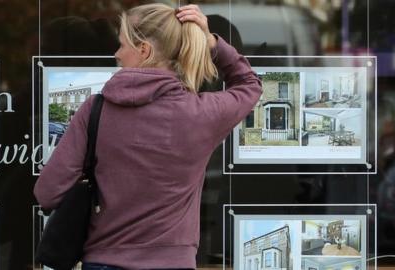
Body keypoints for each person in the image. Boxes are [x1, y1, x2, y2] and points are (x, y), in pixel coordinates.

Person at [34, 3, 262, 270]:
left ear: (144, 50)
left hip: (104, 261)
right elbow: (249, 84)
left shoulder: (95, 110)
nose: (117, 54)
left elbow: (47, 192)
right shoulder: (201, 113)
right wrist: (212, 43)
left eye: (121, 45)